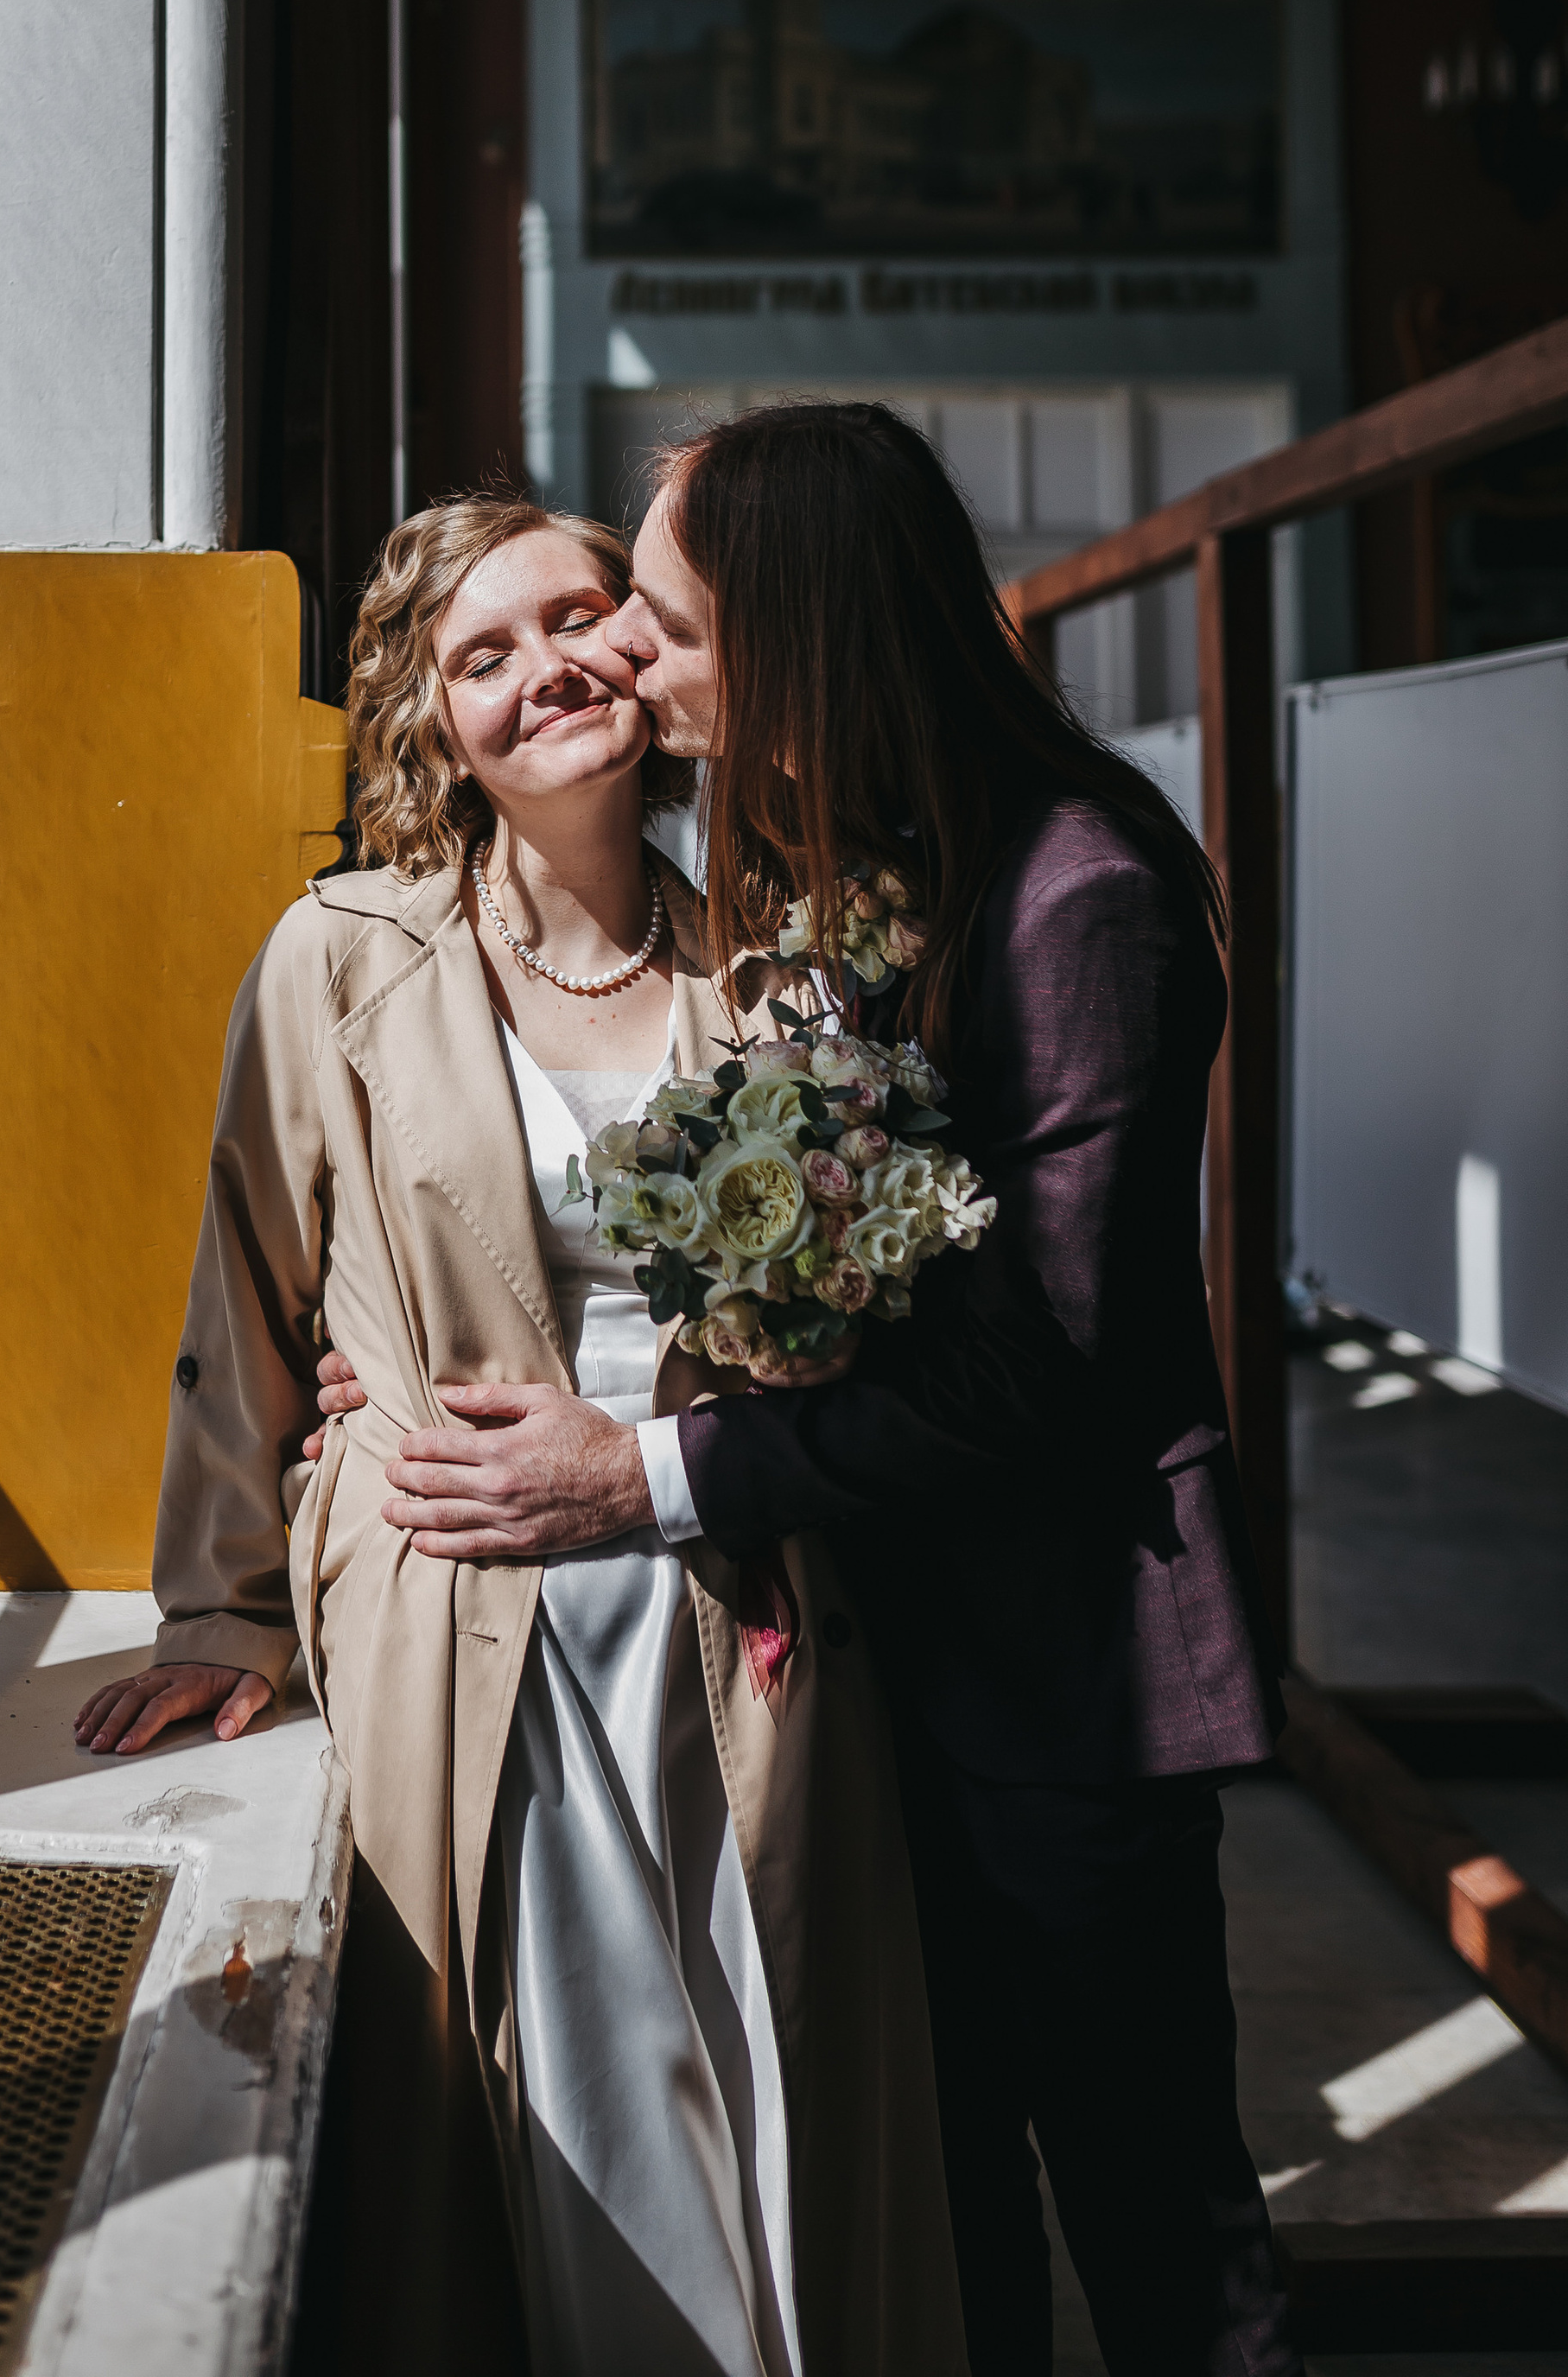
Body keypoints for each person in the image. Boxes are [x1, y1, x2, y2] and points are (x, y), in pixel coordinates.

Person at [316, 407, 1303, 2377]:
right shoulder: (857, 861)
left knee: (1154, 2234)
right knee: (936, 2235)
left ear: (801, 629)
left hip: (1059, 1684)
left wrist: (649, 1472)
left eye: (664, 628)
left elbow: (1032, 1367)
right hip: (871, 1668)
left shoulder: (1073, 891)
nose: (631, 672)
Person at [73, 490, 967, 2377]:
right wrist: (217, 1610)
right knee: (581, 2120)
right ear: (432, 720)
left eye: (580, 616)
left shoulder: (785, 948)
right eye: (483, 654)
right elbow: (244, 1289)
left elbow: (873, 1294)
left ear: (643, 650)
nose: (549, 666)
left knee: (783, 2074)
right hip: (475, 1603)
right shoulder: (340, 957)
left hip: (739, 1588)